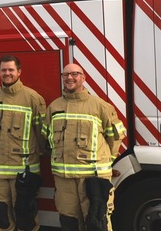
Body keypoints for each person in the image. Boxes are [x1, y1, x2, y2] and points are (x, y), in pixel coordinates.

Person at [42, 63, 125, 231]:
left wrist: (107, 163)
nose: (69, 78)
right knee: (69, 222)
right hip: (64, 179)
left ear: (83, 77)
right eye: (65, 75)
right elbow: (46, 136)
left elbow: (115, 137)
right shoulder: (54, 107)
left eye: (74, 74)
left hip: (92, 178)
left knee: (97, 223)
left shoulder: (100, 106)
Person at [0, 56, 46, 231]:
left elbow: (42, 134)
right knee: (1, 219)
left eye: (11, 70)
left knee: (26, 220)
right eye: (4, 70)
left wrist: (35, 159)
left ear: (19, 72)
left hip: (23, 173)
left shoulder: (33, 98)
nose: (7, 73)